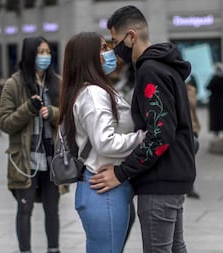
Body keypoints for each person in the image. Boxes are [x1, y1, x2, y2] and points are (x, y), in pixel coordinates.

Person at [89, 6, 196, 252]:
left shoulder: (151, 71)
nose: (115, 49)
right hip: (173, 175)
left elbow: (160, 134)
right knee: (175, 247)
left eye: (115, 42)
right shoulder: (164, 66)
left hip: (160, 180)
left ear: (131, 36)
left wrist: (121, 172)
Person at [58, 31, 144, 253]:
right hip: (103, 188)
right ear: (88, 57)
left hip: (106, 187)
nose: (111, 52)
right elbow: (105, 142)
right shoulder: (94, 94)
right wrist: (143, 137)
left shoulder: (96, 89)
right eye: (104, 48)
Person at [0, 36, 61, 253]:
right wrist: (28, 109)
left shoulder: (57, 83)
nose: (45, 56)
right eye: (39, 52)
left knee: (53, 210)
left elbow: (70, 117)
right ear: (29, 54)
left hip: (53, 159)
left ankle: (54, 249)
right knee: (24, 210)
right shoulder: (13, 84)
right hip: (25, 159)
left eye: (47, 52)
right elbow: (5, 123)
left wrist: (51, 112)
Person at [186, 76, 201, 199]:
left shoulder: (190, 91)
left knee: (190, 160)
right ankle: (189, 187)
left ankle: (190, 187)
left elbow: (192, 105)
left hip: (192, 127)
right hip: (187, 128)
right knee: (187, 159)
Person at [207, 63, 223, 138]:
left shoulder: (214, 78)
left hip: (214, 100)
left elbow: (208, 87)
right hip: (222, 100)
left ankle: (216, 131)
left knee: (215, 116)